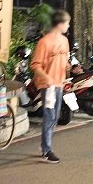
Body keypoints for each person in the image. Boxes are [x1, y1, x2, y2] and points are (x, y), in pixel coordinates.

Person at [31, 10, 72, 163]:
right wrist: (46, 77)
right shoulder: (44, 42)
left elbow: (65, 59)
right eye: (67, 23)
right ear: (60, 23)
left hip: (59, 83)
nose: (68, 26)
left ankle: (44, 145)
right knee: (49, 116)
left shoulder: (64, 41)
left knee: (55, 117)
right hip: (47, 85)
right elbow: (35, 65)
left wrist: (67, 66)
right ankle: (47, 150)